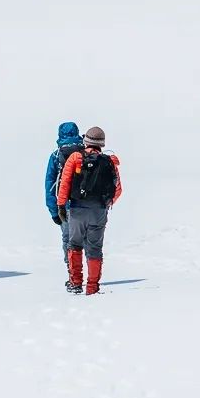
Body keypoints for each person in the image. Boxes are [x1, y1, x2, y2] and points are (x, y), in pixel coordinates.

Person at [57, 126, 122, 295]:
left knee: (74, 244)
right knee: (94, 248)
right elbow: (118, 189)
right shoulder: (109, 161)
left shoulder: (76, 157)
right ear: (102, 143)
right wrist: (105, 204)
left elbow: (64, 183)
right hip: (99, 212)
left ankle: (75, 283)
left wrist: (61, 205)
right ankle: (92, 287)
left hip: (77, 209)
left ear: (86, 141)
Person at [44, 121, 84, 274]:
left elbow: (50, 184)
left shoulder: (56, 155)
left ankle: (72, 271)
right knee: (85, 239)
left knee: (68, 239)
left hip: (64, 206)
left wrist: (54, 211)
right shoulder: (84, 152)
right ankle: (88, 271)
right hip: (84, 204)